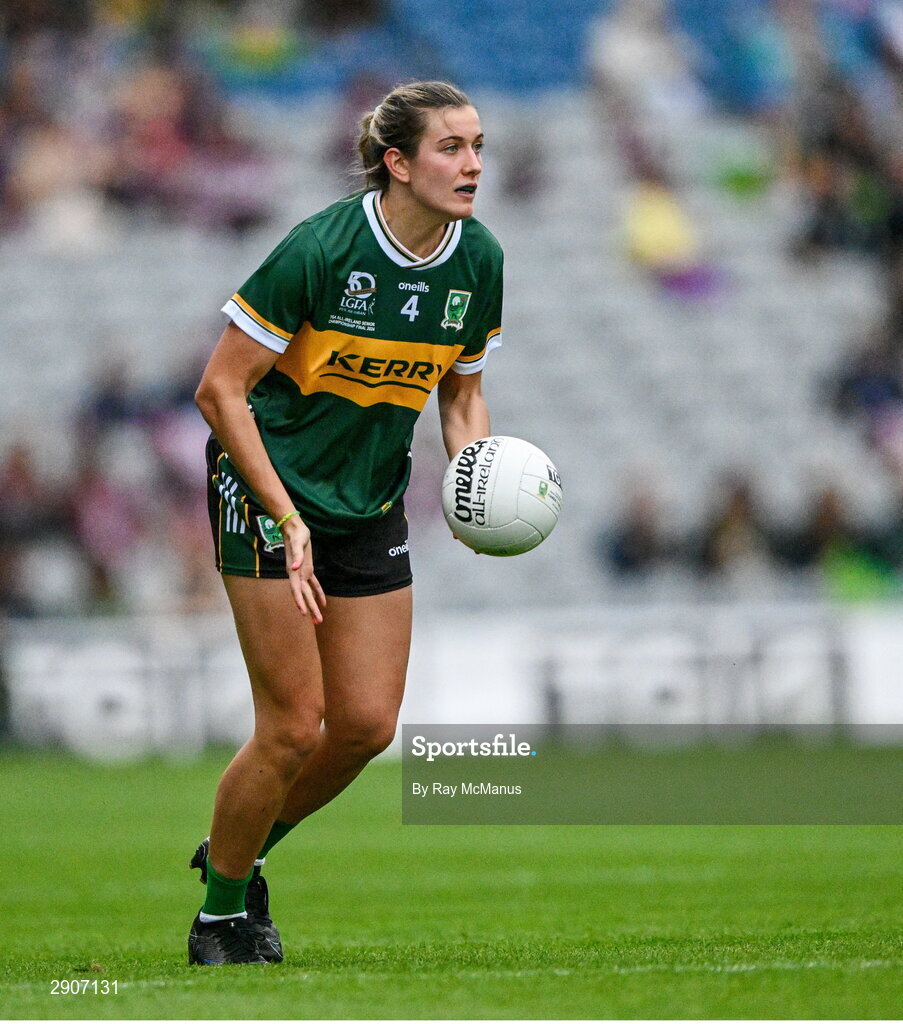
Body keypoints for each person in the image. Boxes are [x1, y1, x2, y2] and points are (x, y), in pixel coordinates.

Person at [187, 81, 503, 965]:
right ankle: (220, 914)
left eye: (478, 145)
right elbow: (220, 389)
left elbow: (462, 392)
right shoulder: (320, 250)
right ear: (397, 162)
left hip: (367, 500)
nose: (473, 164)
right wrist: (284, 516)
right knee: (293, 725)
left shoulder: (477, 261)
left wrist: (475, 472)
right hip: (268, 494)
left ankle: (232, 854)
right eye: (451, 148)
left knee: (364, 725)